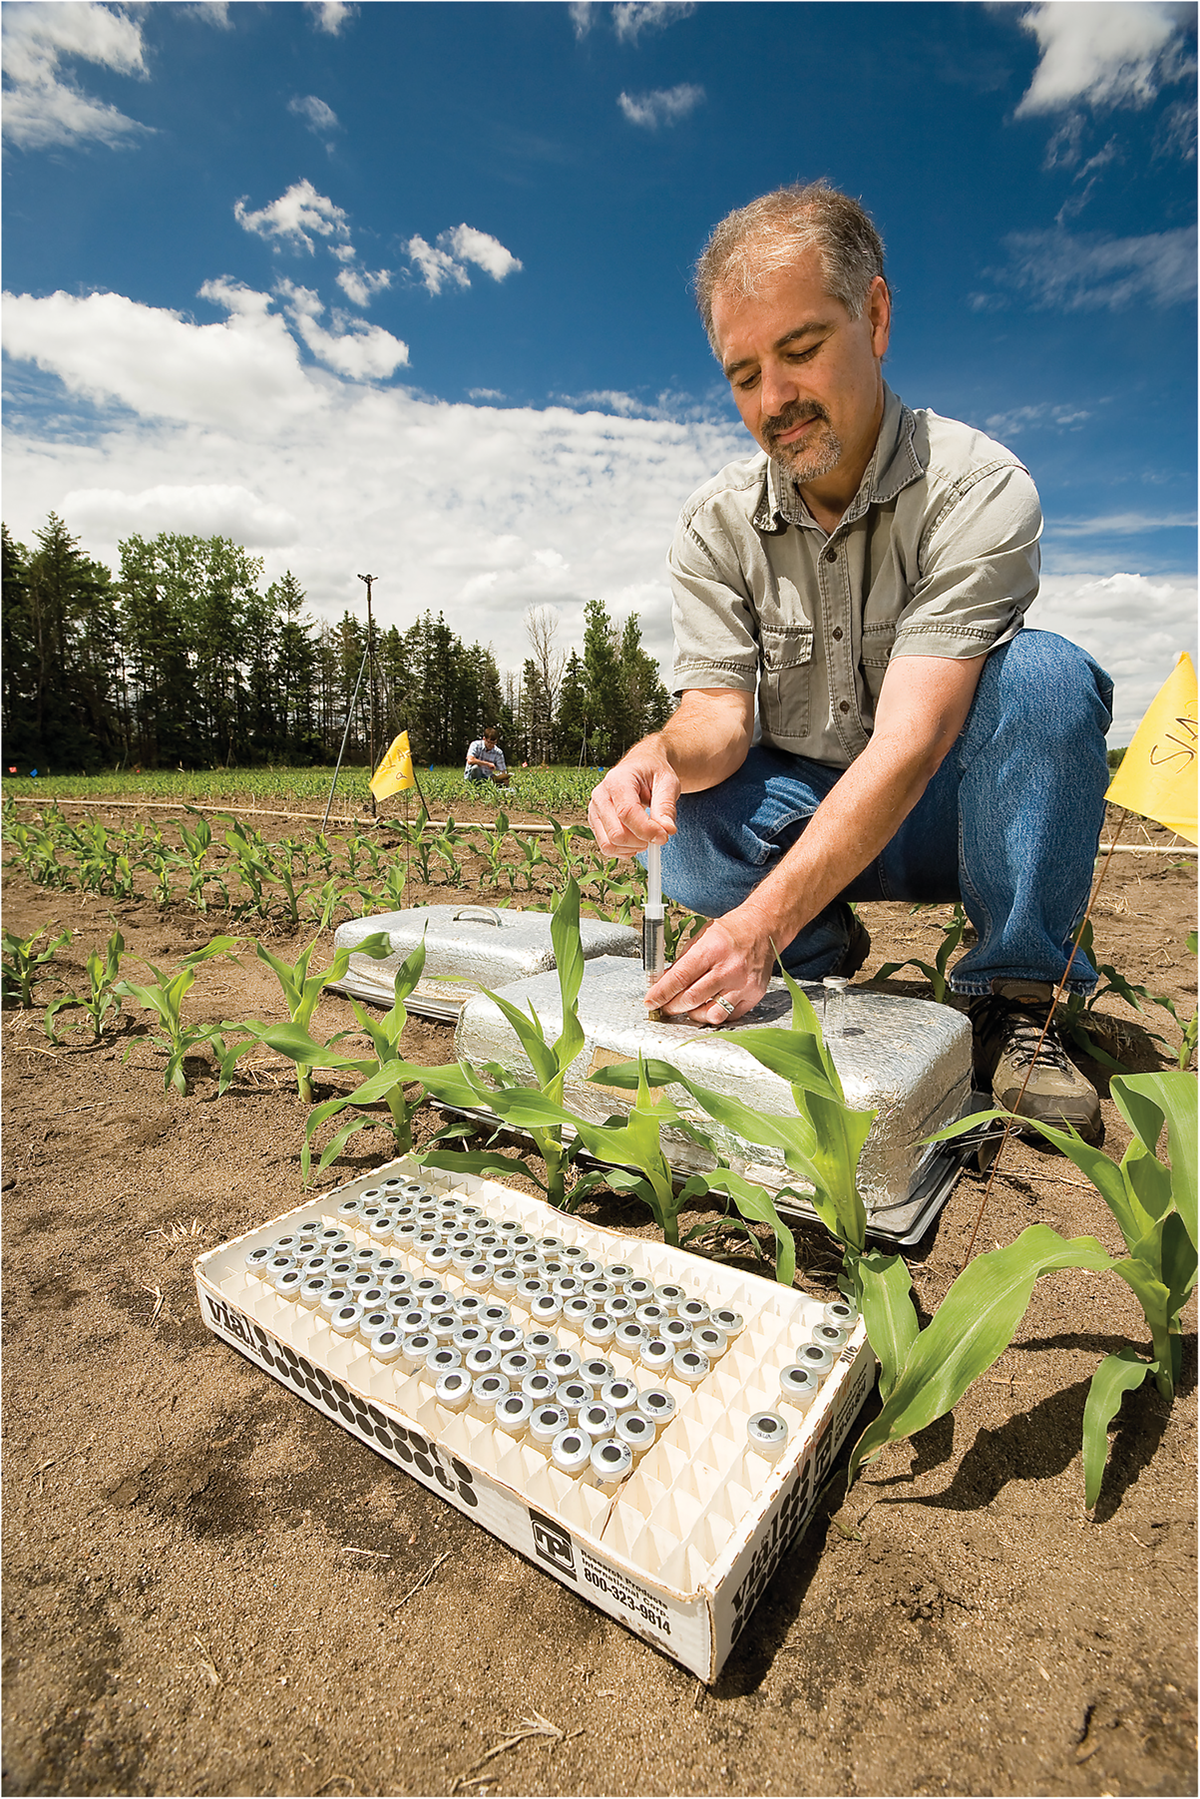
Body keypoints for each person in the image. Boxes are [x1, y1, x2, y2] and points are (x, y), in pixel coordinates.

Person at [587, 182, 1112, 1141]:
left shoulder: (979, 488)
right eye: (744, 374)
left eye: (800, 351)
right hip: (800, 812)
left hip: (950, 815)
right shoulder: (715, 524)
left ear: (873, 316)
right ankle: (815, 957)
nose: (774, 400)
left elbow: (913, 742)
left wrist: (758, 919)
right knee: (694, 810)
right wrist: (659, 752)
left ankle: (1018, 997)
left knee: (1045, 679)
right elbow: (717, 716)